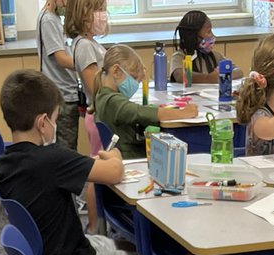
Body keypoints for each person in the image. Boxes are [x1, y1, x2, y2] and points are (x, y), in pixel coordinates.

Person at [0, 70, 136, 255]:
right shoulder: (51, 159)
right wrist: (115, 155)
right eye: (55, 118)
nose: (55, 125)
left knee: (129, 245)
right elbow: (115, 172)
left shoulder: (6, 162)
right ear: (43, 122)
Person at [93, 44, 197, 159]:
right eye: (133, 77)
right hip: (131, 157)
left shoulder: (102, 95)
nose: (135, 84)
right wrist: (183, 113)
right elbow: (139, 112)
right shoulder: (112, 101)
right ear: (116, 71)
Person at [65, 0, 108, 156]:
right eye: (98, 10)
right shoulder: (84, 45)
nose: (103, 15)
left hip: (100, 114)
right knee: (100, 161)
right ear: (82, 14)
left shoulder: (90, 43)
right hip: (98, 115)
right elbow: (95, 87)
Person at [37, 0, 81, 151]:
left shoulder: (54, 18)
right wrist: (88, 64)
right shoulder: (49, 20)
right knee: (66, 150)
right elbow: (61, 59)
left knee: (65, 147)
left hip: (64, 91)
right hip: (62, 95)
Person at [169, 10, 240, 84]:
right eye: (209, 31)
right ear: (193, 36)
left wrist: (222, 76)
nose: (213, 35)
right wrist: (209, 78)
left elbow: (238, 71)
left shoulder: (215, 56)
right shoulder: (180, 56)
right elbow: (179, 75)